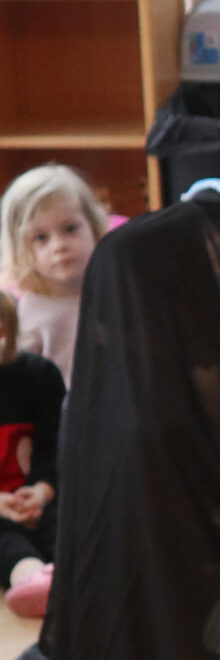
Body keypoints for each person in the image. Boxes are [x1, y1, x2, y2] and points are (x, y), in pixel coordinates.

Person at [0, 162, 109, 388]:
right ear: (20, 249)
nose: (59, 246)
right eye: (40, 238)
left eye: (70, 229)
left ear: (93, 226)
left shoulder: (114, 293)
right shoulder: (27, 316)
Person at [0, 290, 62, 619]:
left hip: (38, 499)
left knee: (68, 521)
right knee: (6, 542)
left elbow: (56, 449)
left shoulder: (39, 375)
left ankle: (73, 575)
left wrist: (40, 491)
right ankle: (30, 577)